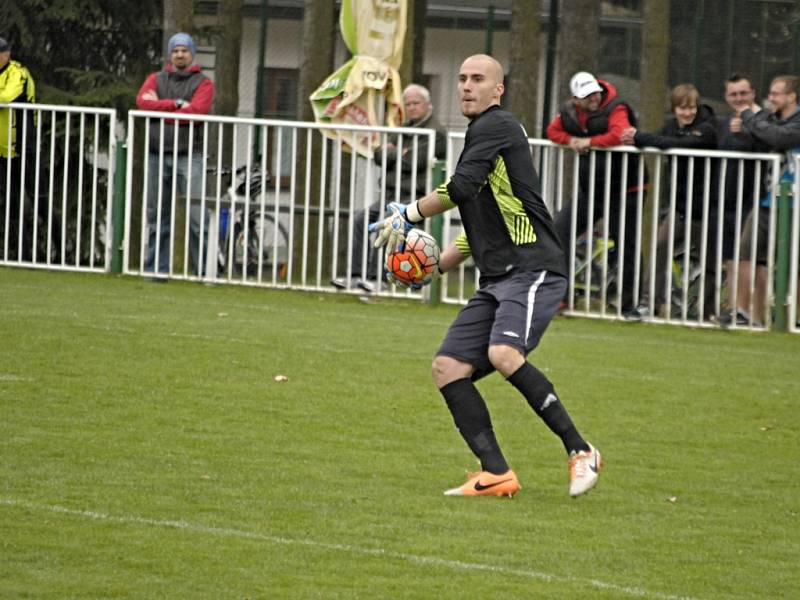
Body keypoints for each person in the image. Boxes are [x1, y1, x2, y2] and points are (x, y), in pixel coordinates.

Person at [370, 55, 601, 498]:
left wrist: (408, 214)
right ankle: (495, 473)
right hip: (497, 279)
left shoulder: (498, 125)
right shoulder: (481, 140)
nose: (466, 86)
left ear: (499, 90)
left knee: (503, 352)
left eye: (478, 79)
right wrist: (435, 267)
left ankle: (581, 450)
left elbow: (458, 187)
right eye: (461, 79)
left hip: (534, 268)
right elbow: (481, 227)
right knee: (448, 367)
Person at [547, 71, 645, 314]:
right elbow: (553, 131)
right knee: (559, 231)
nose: (592, 98)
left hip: (625, 189)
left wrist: (588, 142)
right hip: (590, 189)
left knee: (627, 245)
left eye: (594, 93)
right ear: (575, 100)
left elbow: (619, 134)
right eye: (586, 96)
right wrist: (571, 140)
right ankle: (561, 295)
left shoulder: (617, 107)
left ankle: (630, 304)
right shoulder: (570, 112)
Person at [331, 84, 446, 292]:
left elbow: (415, 162)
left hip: (416, 199)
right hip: (390, 195)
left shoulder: (435, 132)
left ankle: (378, 280)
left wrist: (397, 154)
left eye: (416, 103)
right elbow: (378, 155)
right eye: (408, 103)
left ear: (428, 105)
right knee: (359, 220)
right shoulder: (404, 127)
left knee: (386, 221)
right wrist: (397, 153)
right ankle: (355, 275)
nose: (411, 107)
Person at [620, 84, 718, 320]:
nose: (688, 113)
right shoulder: (671, 127)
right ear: (674, 109)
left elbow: (684, 146)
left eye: (691, 107)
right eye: (682, 109)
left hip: (707, 208)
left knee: (712, 260)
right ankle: (648, 303)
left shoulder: (707, 127)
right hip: (680, 206)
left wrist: (641, 137)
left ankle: (707, 311)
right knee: (661, 247)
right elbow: (661, 139)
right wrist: (636, 139)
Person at [718, 75, 800, 327]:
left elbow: (778, 138)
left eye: (776, 94)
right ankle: (741, 312)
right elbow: (758, 140)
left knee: (796, 261)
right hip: (768, 199)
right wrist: (743, 133)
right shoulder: (768, 117)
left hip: (796, 202)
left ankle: (796, 318)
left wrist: (749, 119)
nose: (771, 98)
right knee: (746, 251)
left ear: (792, 97)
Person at [136, 32, 214, 276]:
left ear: (192, 54)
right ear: (170, 55)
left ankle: (203, 272)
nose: (180, 54)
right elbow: (142, 103)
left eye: (184, 50)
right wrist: (177, 105)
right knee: (156, 216)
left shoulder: (204, 82)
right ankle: (154, 271)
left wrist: (162, 107)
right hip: (155, 155)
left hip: (190, 157)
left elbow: (198, 112)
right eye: (176, 50)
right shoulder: (155, 78)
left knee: (197, 217)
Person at [710, 74, 762, 325]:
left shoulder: (762, 119)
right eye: (733, 94)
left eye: (743, 93)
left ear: (753, 93)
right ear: (726, 97)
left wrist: (745, 133)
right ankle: (733, 309)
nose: (739, 99)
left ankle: (753, 313)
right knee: (730, 258)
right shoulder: (725, 123)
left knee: (750, 259)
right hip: (727, 201)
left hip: (754, 200)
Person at [0, 37, 55, 262]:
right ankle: (23, 254)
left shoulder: (18, 73)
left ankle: (61, 251)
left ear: (7, 54)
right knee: (11, 204)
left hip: (25, 149)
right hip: (3, 152)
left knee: (40, 203)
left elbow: (5, 97)